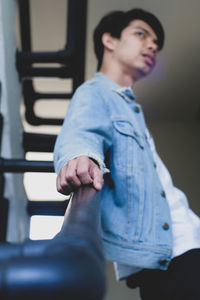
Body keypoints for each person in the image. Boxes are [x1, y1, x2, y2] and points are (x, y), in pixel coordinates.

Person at [54, 8, 200, 299]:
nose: (152, 46)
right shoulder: (95, 92)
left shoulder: (130, 107)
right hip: (171, 254)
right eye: (141, 34)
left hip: (186, 241)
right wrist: (80, 157)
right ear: (109, 40)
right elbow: (83, 129)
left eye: (156, 44)